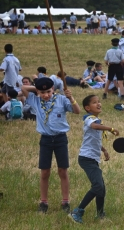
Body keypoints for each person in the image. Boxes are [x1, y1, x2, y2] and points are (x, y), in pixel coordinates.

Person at [21, 77, 81, 213]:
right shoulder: (35, 100)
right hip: (46, 140)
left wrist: (71, 98)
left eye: (48, 91)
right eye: (42, 93)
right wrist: (36, 88)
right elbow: (23, 88)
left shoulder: (61, 99)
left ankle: (65, 202)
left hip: (60, 139)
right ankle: (43, 202)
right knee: (45, 172)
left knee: (63, 170)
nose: (46, 95)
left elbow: (77, 111)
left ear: (53, 89)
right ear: (38, 92)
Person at [69, 95, 119, 223]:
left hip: (93, 159)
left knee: (101, 188)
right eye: (95, 102)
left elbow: (94, 139)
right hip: (86, 159)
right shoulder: (89, 119)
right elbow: (95, 127)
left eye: (99, 101)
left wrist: (104, 150)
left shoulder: (96, 120)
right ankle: (77, 211)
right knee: (97, 186)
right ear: (87, 108)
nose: (99, 104)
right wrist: (110, 128)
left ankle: (100, 214)